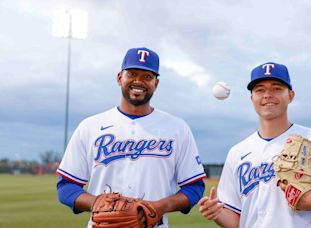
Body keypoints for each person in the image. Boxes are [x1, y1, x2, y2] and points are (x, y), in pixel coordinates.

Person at [56, 47, 206, 228]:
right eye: (132, 74)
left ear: (156, 84)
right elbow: (66, 187)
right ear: (120, 78)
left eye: (147, 77)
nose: (138, 81)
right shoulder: (90, 127)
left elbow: (195, 187)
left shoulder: (178, 128)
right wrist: (97, 203)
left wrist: (159, 207)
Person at [199, 62, 311, 227]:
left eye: (276, 88)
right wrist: (216, 213)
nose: (268, 94)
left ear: (291, 95)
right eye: (260, 89)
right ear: (252, 98)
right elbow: (237, 221)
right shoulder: (237, 152)